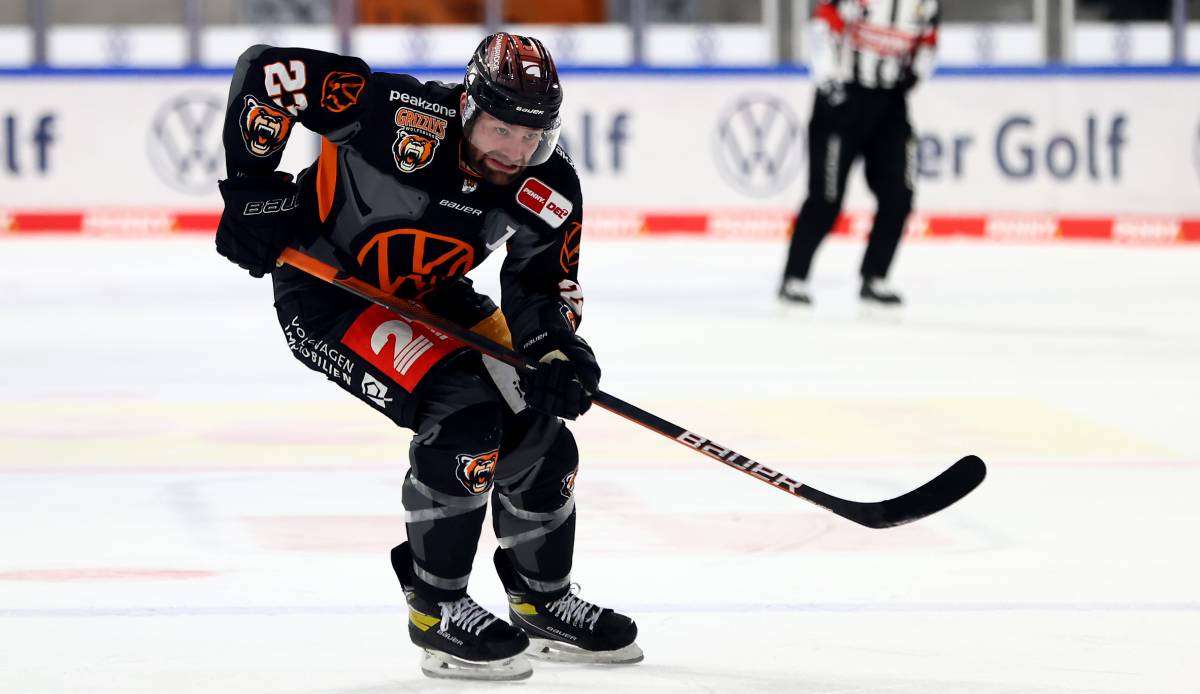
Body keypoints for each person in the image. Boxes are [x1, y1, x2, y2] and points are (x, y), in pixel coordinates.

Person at [214, 33, 641, 681]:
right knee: (465, 420)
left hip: (434, 295)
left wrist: (553, 347)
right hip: (332, 294)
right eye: (502, 129)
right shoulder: (396, 113)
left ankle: (542, 600)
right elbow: (269, 72)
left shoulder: (548, 184)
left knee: (539, 426)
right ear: (468, 107)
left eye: (534, 136)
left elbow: (540, 282)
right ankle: (436, 609)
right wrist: (253, 188)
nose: (516, 152)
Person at [779, 0, 940, 307]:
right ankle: (794, 277)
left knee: (899, 195)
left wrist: (916, 74)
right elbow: (822, 28)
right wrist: (828, 81)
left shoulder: (925, 4)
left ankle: (875, 276)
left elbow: (929, 43)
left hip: (890, 104)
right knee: (826, 198)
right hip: (843, 101)